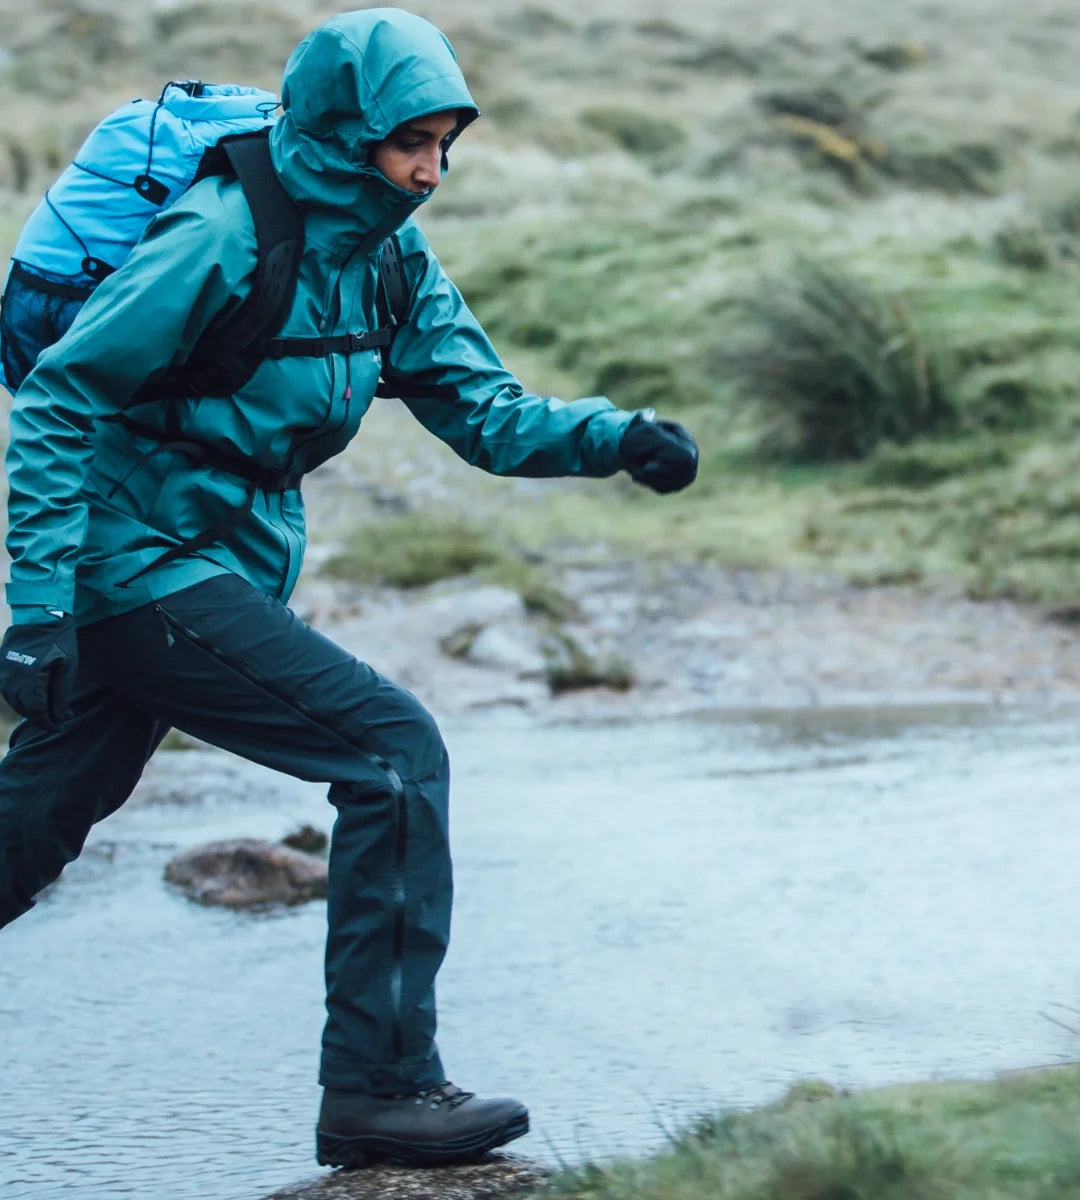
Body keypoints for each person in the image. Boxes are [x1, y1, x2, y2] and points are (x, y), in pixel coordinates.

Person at [0, 7, 697, 1170]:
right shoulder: (221, 232)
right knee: (390, 752)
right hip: (129, 560)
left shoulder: (387, 256)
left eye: (443, 144)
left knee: (37, 820)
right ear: (340, 128)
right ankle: (380, 1090)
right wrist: (36, 610)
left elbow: (482, 410)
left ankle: (380, 1086)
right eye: (407, 143)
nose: (429, 171)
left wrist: (616, 437)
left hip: (217, 560)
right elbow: (61, 400)